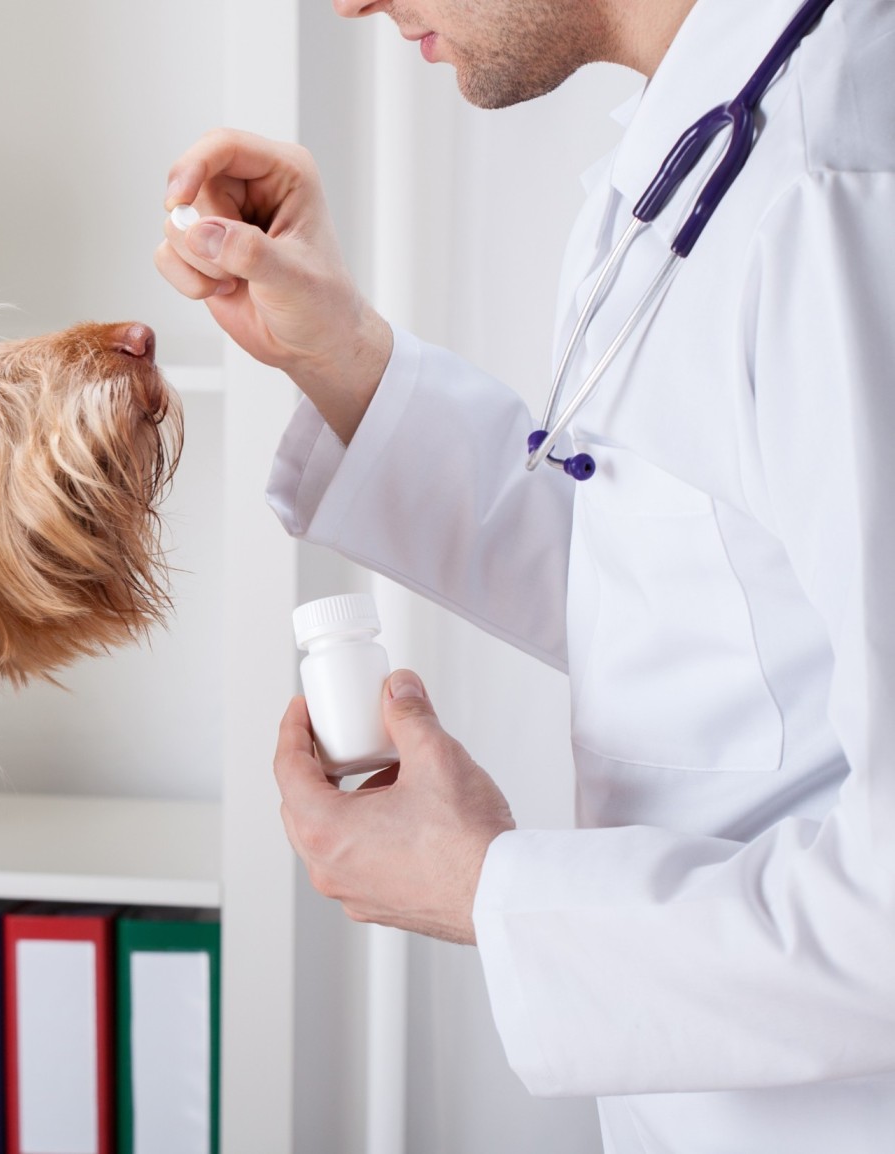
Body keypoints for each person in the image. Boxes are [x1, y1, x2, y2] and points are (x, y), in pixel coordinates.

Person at [156, 0, 895, 1150]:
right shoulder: (712, 140)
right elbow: (701, 596)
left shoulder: (840, 189)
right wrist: (340, 353)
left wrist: (483, 888)